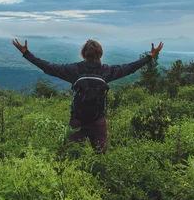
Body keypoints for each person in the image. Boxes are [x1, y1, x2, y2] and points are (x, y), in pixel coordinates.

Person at [12, 38, 164, 153]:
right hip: (98, 120)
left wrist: (26, 53)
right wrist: (150, 56)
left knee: (71, 154)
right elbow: (129, 68)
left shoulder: (74, 70)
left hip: (77, 120)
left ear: (83, 54)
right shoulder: (106, 71)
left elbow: (48, 67)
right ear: (100, 54)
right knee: (100, 155)